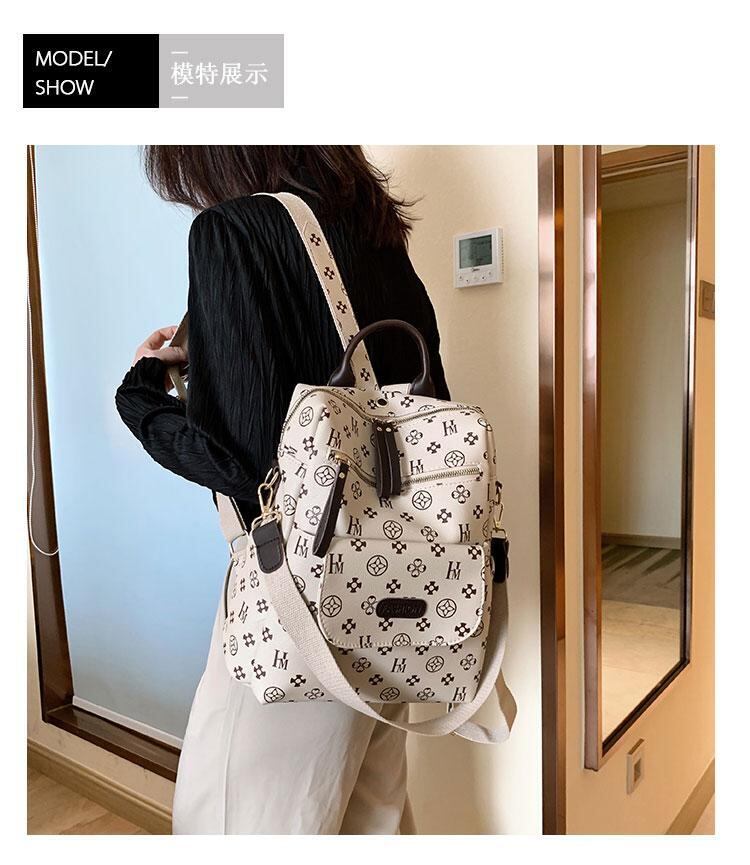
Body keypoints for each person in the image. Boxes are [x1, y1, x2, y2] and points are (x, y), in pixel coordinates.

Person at [115, 145, 450, 835]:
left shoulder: (231, 230)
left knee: (232, 822)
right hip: (400, 582)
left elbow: (242, 463)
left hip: (296, 599)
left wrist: (141, 389)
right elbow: (423, 406)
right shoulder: (379, 237)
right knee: (372, 820)